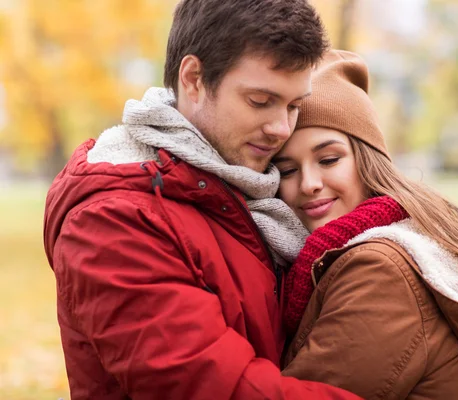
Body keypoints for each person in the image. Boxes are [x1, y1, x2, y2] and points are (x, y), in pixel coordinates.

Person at [43, 1, 361, 399]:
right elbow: (215, 388)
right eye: (260, 101)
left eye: (294, 106)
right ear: (193, 78)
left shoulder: (254, 190)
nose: (281, 128)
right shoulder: (112, 220)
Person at [274, 50, 458, 399]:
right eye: (288, 170)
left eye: (328, 159)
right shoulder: (335, 258)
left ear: (367, 161)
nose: (308, 183)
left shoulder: (380, 271)